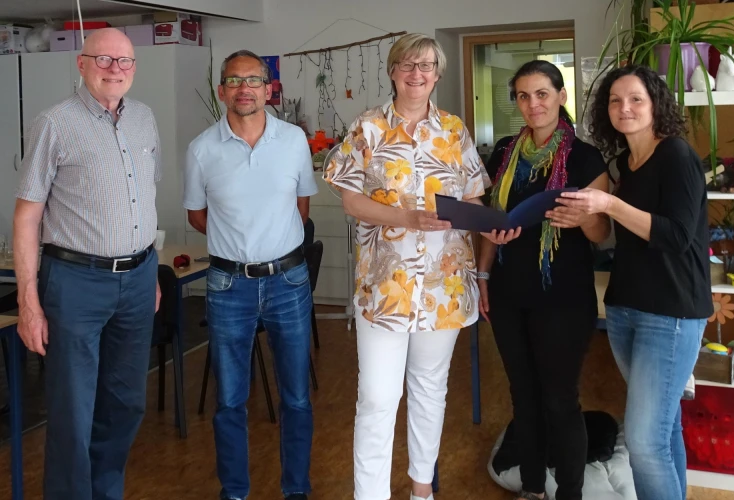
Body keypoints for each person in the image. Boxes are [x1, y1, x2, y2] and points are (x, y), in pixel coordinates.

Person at [325, 33, 491, 500]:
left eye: (426, 66)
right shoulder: (368, 127)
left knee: (429, 389)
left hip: (444, 286)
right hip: (384, 288)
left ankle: (422, 490)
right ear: (393, 71)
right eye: (407, 65)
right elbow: (351, 200)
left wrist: (490, 225)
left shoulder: (454, 130)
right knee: (377, 398)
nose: (417, 74)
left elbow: (474, 194)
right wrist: (408, 218)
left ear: (437, 75)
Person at [13, 28, 161, 500]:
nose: (115, 69)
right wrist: (28, 301)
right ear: (81, 64)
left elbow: (143, 200)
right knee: (73, 412)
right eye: (104, 60)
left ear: (135, 68)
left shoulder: (144, 119)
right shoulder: (53, 123)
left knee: (125, 405)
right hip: (76, 282)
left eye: (125, 61)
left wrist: (151, 272)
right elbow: (27, 215)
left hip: (138, 279)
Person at [557, 64, 713, 500]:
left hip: (672, 311)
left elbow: (678, 237)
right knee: (665, 432)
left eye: (635, 99)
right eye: (614, 100)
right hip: (626, 308)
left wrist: (609, 202)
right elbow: (614, 235)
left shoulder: (677, 155)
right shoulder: (624, 162)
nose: (624, 108)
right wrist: (588, 215)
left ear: (655, 104)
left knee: (644, 444)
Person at [183, 49, 318, 500]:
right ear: (223, 91)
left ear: (268, 89)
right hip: (227, 285)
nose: (245, 89)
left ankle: (295, 490)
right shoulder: (202, 149)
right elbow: (198, 216)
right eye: (235, 81)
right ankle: (234, 491)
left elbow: (301, 208)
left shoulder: (295, 141)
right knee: (229, 401)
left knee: (296, 397)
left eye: (254, 80)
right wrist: (239, 241)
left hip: (288, 282)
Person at [476, 60, 611, 500]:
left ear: (560, 97)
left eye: (542, 94)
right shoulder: (502, 153)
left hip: (563, 298)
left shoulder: (586, 157)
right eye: (523, 96)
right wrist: (481, 271)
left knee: (558, 398)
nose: (532, 104)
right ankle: (533, 488)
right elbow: (493, 219)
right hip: (508, 292)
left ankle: (569, 492)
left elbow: (602, 234)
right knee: (524, 396)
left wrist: (582, 220)